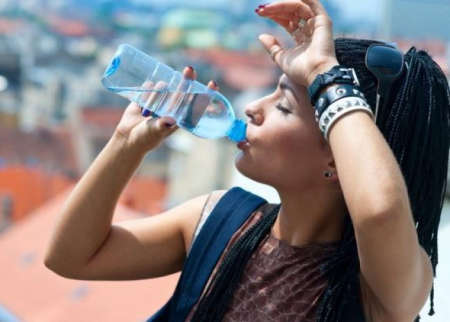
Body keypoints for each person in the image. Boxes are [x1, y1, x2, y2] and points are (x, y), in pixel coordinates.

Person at [44, 0, 450, 321]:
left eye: (285, 107)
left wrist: (326, 74)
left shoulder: (378, 290)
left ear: (338, 156)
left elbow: (380, 212)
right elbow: (71, 256)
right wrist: (124, 144)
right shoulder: (219, 219)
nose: (254, 108)